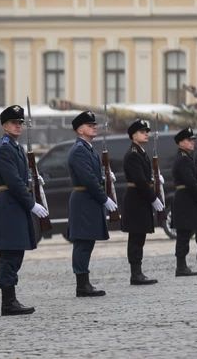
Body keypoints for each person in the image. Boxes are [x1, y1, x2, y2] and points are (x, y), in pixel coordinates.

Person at [0, 105, 49, 315]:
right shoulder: (5, 148)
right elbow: (14, 182)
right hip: (10, 204)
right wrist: (32, 203)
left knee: (16, 253)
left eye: (20, 123)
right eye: (14, 123)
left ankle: (11, 299)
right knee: (9, 254)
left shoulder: (16, 147)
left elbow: (21, 179)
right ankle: (8, 302)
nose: (18, 126)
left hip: (16, 205)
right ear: (4, 125)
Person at [67, 110, 116, 297]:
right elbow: (88, 179)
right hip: (84, 200)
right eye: (90, 125)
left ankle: (84, 282)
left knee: (87, 242)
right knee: (82, 242)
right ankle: (82, 285)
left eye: (94, 125)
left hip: (89, 200)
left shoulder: (87, 148)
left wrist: (105, 177)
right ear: (80, 130)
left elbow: (94, 175)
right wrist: (104, 198)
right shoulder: (79, 151)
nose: (94, 127)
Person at [120, 119, 161, 285]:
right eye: (142, 131)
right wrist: (153, 198)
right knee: (136, 236)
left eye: (147, 131)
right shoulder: (133, 155)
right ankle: (135, 273)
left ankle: (138, 271)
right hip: (136, 199)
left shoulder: (141, 153)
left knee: (140, 236)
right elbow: (140, 181)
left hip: (140, 199)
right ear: (134, 136)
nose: (146, 134)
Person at [170, 127, 197, 275]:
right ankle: (181, 266)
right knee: (183, 233)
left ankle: (183, 265)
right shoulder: (182, 160)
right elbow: (190, 182)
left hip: (187, 198)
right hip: (184, 199)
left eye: (193, 140)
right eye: (188, 141)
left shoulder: (187, 157)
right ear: (180, 143)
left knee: (186, 232)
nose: (192, 143)